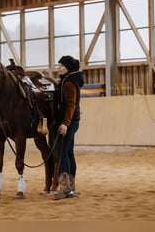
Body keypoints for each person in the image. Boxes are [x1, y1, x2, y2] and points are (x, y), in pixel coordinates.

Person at [53, 55, 84, 200]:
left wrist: (65, 123)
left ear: (69, 69)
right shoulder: (69, 81)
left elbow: (70, 105)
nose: (59, 68)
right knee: (68, 153)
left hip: (69, 122)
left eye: (62, 66)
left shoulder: (68, 84)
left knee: (62, 153)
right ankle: (71, 188)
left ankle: (65, 188)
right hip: (73, 121)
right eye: (59, 65)